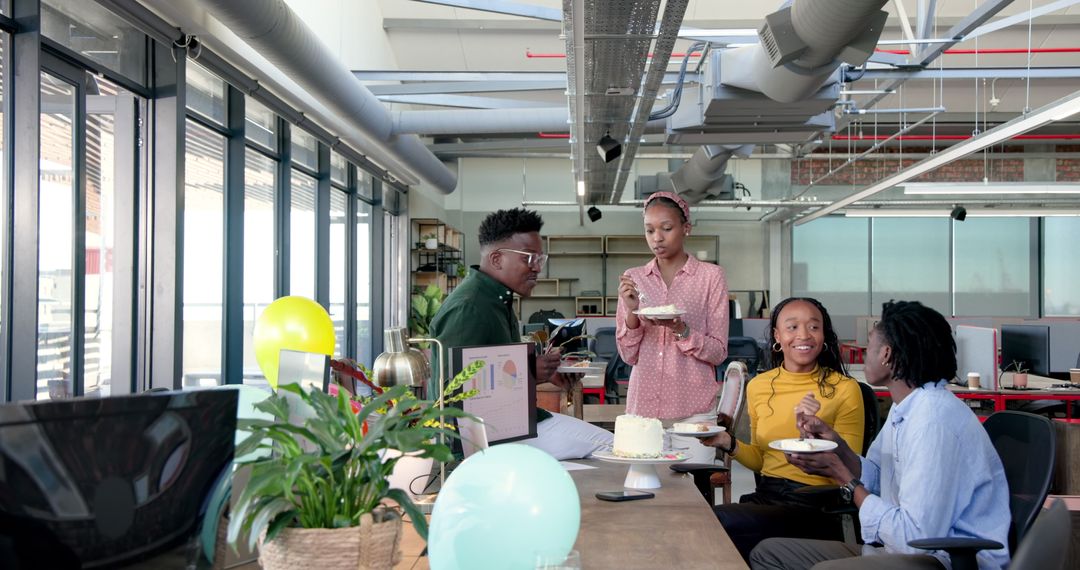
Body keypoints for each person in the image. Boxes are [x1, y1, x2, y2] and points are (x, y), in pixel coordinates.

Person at [751, 300, 1011, 570]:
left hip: (937, 559)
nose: (864, 356)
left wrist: (844, 478)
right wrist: (834, 444)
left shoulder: (933, 422)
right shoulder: (908, 407)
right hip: (898, 550)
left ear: (886, 354)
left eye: (870, 347)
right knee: (768, 553)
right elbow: (876, 474)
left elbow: (914, 539)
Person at [430, 208, 613, 460]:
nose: (537, 269)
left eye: (540, 259)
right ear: (497, 259)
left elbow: (490, 372)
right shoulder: (469, 307)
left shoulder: (496, 300)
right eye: (529, 259)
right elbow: (455, 395)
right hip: (491, 438)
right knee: (614, 448)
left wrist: (543, 374)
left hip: (515, 425)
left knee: (612, 447)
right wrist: (528, 374)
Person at [702, 297, 866, 561]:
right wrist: (727, 442)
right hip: (768, 495)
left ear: (824, 335)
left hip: (815, 502)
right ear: (777, 335)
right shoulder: (760, 386)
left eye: (814, 327)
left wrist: (811, 435)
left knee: (719, 522)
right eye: (792, 327)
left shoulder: (844, 388)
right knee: (703, 519)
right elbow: (761, 460)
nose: (804, 335)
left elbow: (853, 467)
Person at [615, 191, 730, 463]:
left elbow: (718, 352)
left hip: (694, 415)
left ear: (686, 228)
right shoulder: (634, 279)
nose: (657, 237)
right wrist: (631, 311)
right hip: (644, 414)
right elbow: (628, 355)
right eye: (650, 230)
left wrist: (682, 330)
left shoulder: (711, 277)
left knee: (693, 497)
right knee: (645, 496)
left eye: (666, 228)